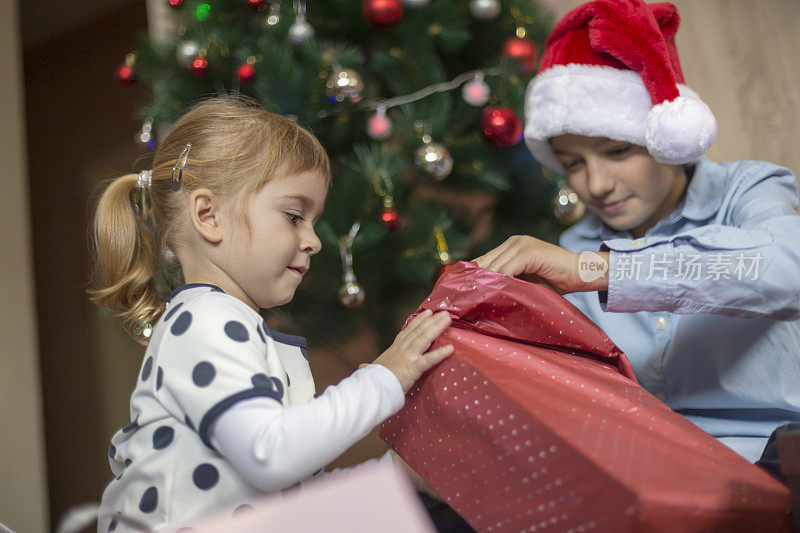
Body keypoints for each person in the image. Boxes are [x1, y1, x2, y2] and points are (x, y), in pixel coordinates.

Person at [89, 96, 454, 531]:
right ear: (208, 216)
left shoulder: (230, 325)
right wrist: (383, 379)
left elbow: (287, 496)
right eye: (294, 216)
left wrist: (393, 476)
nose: (314, 241)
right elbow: (271, 456)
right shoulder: (204, 321)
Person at [475, 0, 800, 479]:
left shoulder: (748, 190)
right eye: (572, 164)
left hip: (776, 455)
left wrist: (597, 269)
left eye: (617, 150)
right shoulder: (576, 240)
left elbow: (785, 269)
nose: (597, 184)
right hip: (660, 470)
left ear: (669, 135)